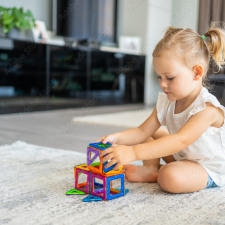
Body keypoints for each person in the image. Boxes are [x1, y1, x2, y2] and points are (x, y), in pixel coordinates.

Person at [97, 26, 225, 194]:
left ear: (196, 72)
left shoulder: (207, 108)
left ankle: (159, 172)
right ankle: (151, 169)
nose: (163, 84)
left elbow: (180, 140)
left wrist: (134, 152)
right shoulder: (166, 101)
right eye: (159, 77)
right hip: (182, 155)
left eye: (170, 78)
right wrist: (117, 138)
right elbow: (142, 131)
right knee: (153, 134)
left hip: (206, 167)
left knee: (169, 177)